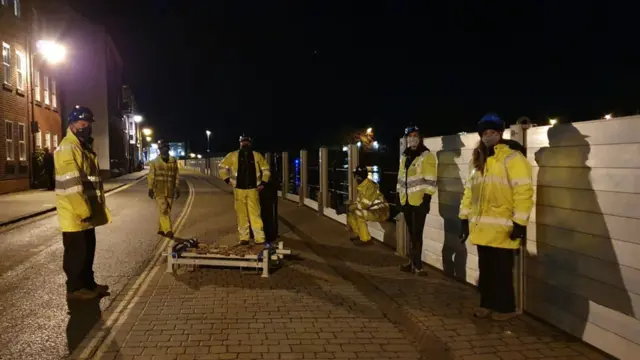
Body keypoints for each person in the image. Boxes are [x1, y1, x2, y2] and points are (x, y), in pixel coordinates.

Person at [459, 113, 533, 321]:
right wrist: (463, 218)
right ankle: (486, 305)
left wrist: (520, 222)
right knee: (486, 270)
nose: (488, 136)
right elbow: (469, 192)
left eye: (492, 132)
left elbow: (523, 191)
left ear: (500, 134)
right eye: (484, 133)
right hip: (481, 227)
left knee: (501, 272)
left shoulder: (512, 158)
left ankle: (505, 308)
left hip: (503, 227)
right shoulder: (477, 159)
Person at [55, 105, 111, 301]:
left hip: (86, 211)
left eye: (88, 124)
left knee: (88, 251)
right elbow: (72, 182)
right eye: (82, 123)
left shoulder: (83, 147)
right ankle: (75, 289)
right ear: (72, 124)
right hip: (75, 213)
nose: (86, 127)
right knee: (76, 254)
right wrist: (82, 210)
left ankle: (89, 284)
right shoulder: (68, 147)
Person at [396, 125, 437, 276]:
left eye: (415, 135)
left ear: (420, 138)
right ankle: (412, 262)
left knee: (417, 233)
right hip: (406, 201)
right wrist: (398, 197)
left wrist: (427, 199)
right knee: (411, 232)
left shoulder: (426, 156)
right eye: (409, 136)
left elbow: (431, 180)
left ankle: (418, 265)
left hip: (419, 202)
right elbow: (400, 178)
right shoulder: (404, 155)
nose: (412, 139)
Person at [219, 134, 271, 245]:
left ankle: (259, 238)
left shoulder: (256, 155)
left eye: (246, 141)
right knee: (241, 214)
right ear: (240, 143)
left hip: (253, 189)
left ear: (249, 143)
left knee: (255, 214)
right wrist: (228, 180)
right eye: (243, 141)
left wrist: (263, 183)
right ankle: (244, 238)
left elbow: (266, 169)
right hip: (239, 190)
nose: (245, 143)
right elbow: (222, 167)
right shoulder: (232, 155)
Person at [347, 165, 390, 246]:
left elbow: (364, 205)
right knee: (351, 213)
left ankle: (365, 240)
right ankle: (359, 235)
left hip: (380, 212)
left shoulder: (370, 186)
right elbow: (359, 203)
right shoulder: (363, 186)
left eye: (355, 176)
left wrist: (351, 207)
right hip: (373, 211)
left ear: (358, 176)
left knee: (358, 213)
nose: (355, 178)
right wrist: (350, 208)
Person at [148, 140, 180, 239]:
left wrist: (177, 187)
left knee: (167, 209)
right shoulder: (154, 162)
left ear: (168, 149)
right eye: (162, 148)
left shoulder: (173, 161)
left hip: (170, 190)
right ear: (159, 149)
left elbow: (176, 175)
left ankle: (161, 229)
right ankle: (168, 230)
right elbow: (151, 176)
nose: (164, 150)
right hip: (159, 190)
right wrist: (150, 188)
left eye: (165, 148)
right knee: (164, 210)